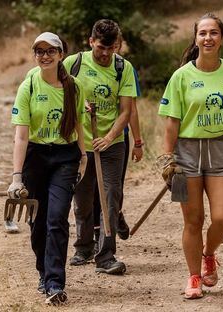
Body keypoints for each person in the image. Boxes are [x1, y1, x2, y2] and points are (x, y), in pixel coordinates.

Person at [158, 13, 223, 299]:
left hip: (220, 150)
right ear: (195, 38)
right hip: (185, 154)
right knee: (192, 220)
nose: (208, 38)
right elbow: (171, 123)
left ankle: (209, 253)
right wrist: (168, 160)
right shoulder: (181, 77)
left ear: (222, 38)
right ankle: (194, 278)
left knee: (222, 218)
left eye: (213, 32)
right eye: (202, 33)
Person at [8, 32, 87, 305]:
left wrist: (83, 154)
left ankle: (55, 282)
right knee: (38, 221)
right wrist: (16, 177)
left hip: (65, 156)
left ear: (61, 54)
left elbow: (77, 123)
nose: (44, 56)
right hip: (36, 156)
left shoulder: (74, 87)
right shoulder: (28, 87)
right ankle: (43, 272)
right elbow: (21, 136)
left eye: (50, 51)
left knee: (57, 219)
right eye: (39, 51)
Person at [63, 19, 138, 274]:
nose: (105, 54)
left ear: (116, 45)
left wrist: (109, 138)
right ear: (91, 41)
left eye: (110, 48)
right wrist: (76, 104)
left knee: (110, 196)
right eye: (100, 48)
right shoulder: (73, 64)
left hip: (112, 144)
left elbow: (126, 110)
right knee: (82, 198)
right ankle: (84, 247)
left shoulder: (123, 67)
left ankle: (106, 255)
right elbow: (58, 94)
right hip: (81, 143)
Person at [92, 33, 144, 252]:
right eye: (105, 46)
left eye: (114, 46)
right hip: (91, 138)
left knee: (113, 189)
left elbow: (131, 110)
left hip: (117, 140)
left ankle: (115, 216)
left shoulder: (125, 70)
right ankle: (98, 235)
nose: (109, 51)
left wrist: (138, 141)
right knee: (94, 189)